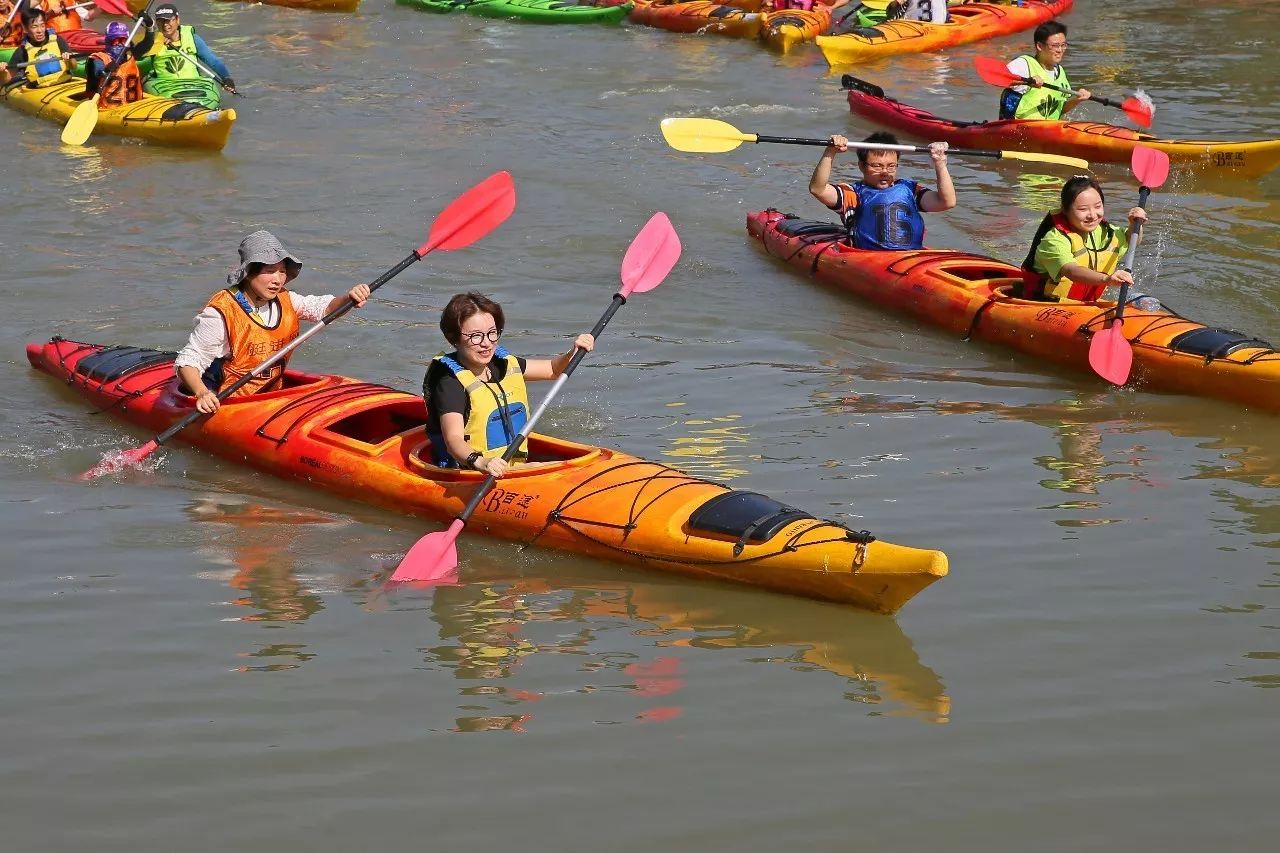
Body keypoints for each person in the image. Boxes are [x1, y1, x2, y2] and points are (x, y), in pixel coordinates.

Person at [174, 231, 371, 414]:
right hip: (222, 397)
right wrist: (202, 393)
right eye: (270, 270)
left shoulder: (287, 300)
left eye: (282, 271)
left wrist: (349, 298)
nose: (278, 280)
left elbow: (326, 309)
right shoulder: (220, 313)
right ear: (249, 272)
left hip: (265, 396)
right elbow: (187, 362)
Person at [422, 292, 594, 477]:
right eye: (476, 336)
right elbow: (453, 439)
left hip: (510, 466)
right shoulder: (449, 382)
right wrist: (480, 461)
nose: (487, 343)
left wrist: (573, 352)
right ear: (453, 338)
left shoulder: (501, 363)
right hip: (469, 471)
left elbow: (553, 370)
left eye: (492, 333)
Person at [809, 131, 955, 250]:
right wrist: (830, 152)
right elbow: (818, 189)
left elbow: (946, 202)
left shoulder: (910, 190)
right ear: (861, 166)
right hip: (872, 261)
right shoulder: (852, 194)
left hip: (911, 258)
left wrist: (940, 163)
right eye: (877, 166)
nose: (885, 172)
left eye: (891, 166)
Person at [1020, 175, 1147, 303]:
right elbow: (1071, 271)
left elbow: (1132, 241)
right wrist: (1107, 279)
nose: (1092, 215)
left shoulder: (1104, 232)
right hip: (1045, 304)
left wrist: (1135, 224)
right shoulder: (1053, 240)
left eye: (1098, 206)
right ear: (1065, 210)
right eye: (1083, 209)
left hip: (1085, 306)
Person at [999, 21, 1090, 120]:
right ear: (1040, 46)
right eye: (1055, 46)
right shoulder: (1024, 64)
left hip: (1048, 129)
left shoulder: (1060, 72)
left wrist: (1077, 100)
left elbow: (1060, 109)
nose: (1060, 50)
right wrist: (1027, 81)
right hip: (1017, 129)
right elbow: (1000, 78)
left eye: (1063, 45)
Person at [135, 4, 235, 95]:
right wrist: (149, 28)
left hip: (194, 83)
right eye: (161, 21)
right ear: (156, 22)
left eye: (168, 20)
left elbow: (213, 61)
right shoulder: (152, 40)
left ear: (177, 20)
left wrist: (226, 78)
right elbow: (137, 55)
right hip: (165, 85)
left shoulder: (193, 38)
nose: (165, 25)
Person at [0, 6, 72, 87]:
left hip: (65, 83)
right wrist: (3, 72)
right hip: (39, 90)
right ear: (25, 29)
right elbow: (6, 81)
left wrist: (70, 59)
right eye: (34, 26)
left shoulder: (58, 40)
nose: (40, 31)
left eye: (42, 25)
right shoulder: (22, 51)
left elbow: (74, 65)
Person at [83, 20, 141, 108]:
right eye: (114, 40)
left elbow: (146, 44)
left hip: (133, 106)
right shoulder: (98, 59)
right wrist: (106, 69)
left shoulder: (130, 56)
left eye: (122, 40)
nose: (118, 44)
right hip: (107, 108)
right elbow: (97, 71)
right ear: (108, 41)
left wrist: (150, 28)